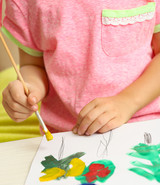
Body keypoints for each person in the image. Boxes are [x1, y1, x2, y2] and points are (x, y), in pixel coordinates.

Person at [1, 0, 160, 136]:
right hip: (67, 135)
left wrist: (127, 102)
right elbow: (33, 65)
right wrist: (29, 91)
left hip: (145, 123)